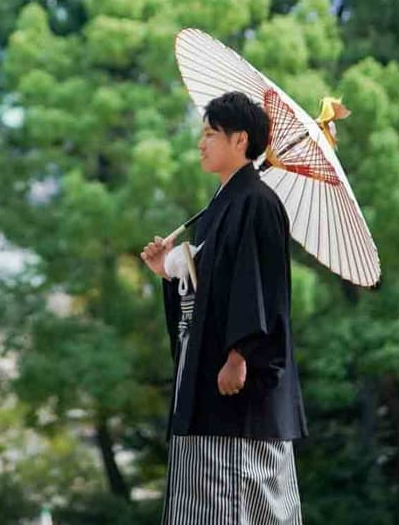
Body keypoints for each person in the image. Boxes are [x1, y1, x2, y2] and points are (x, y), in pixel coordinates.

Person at [140, 91, 306, 524]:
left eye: (211, 133)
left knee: (238, 500)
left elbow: (260, 288)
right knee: (202, 501)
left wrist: (239, 353)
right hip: (203, 378)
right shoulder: (219, 207)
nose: (201, 143)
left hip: (238, 387)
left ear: (240, 141)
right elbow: (208, 285)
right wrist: (168, 269)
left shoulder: (257, 203)